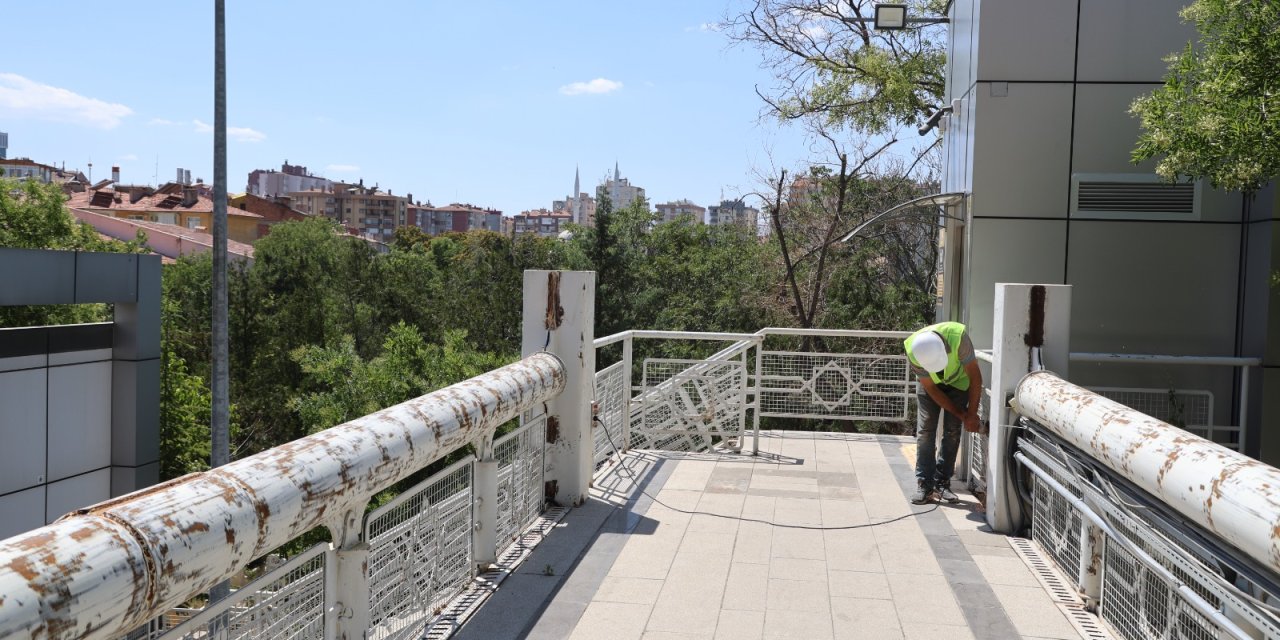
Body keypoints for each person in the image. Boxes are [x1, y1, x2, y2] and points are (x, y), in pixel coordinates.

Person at [903, 321, 983, 504]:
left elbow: (975, 378)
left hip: (959, 383)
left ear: (944, 348)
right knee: (925, 430)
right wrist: (962, 415)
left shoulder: (959, 339)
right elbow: (931, 389)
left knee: (952, 430)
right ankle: (925, 484)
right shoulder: (913, 350)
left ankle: (942, 482)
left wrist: (971, 414)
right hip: (930, 386)